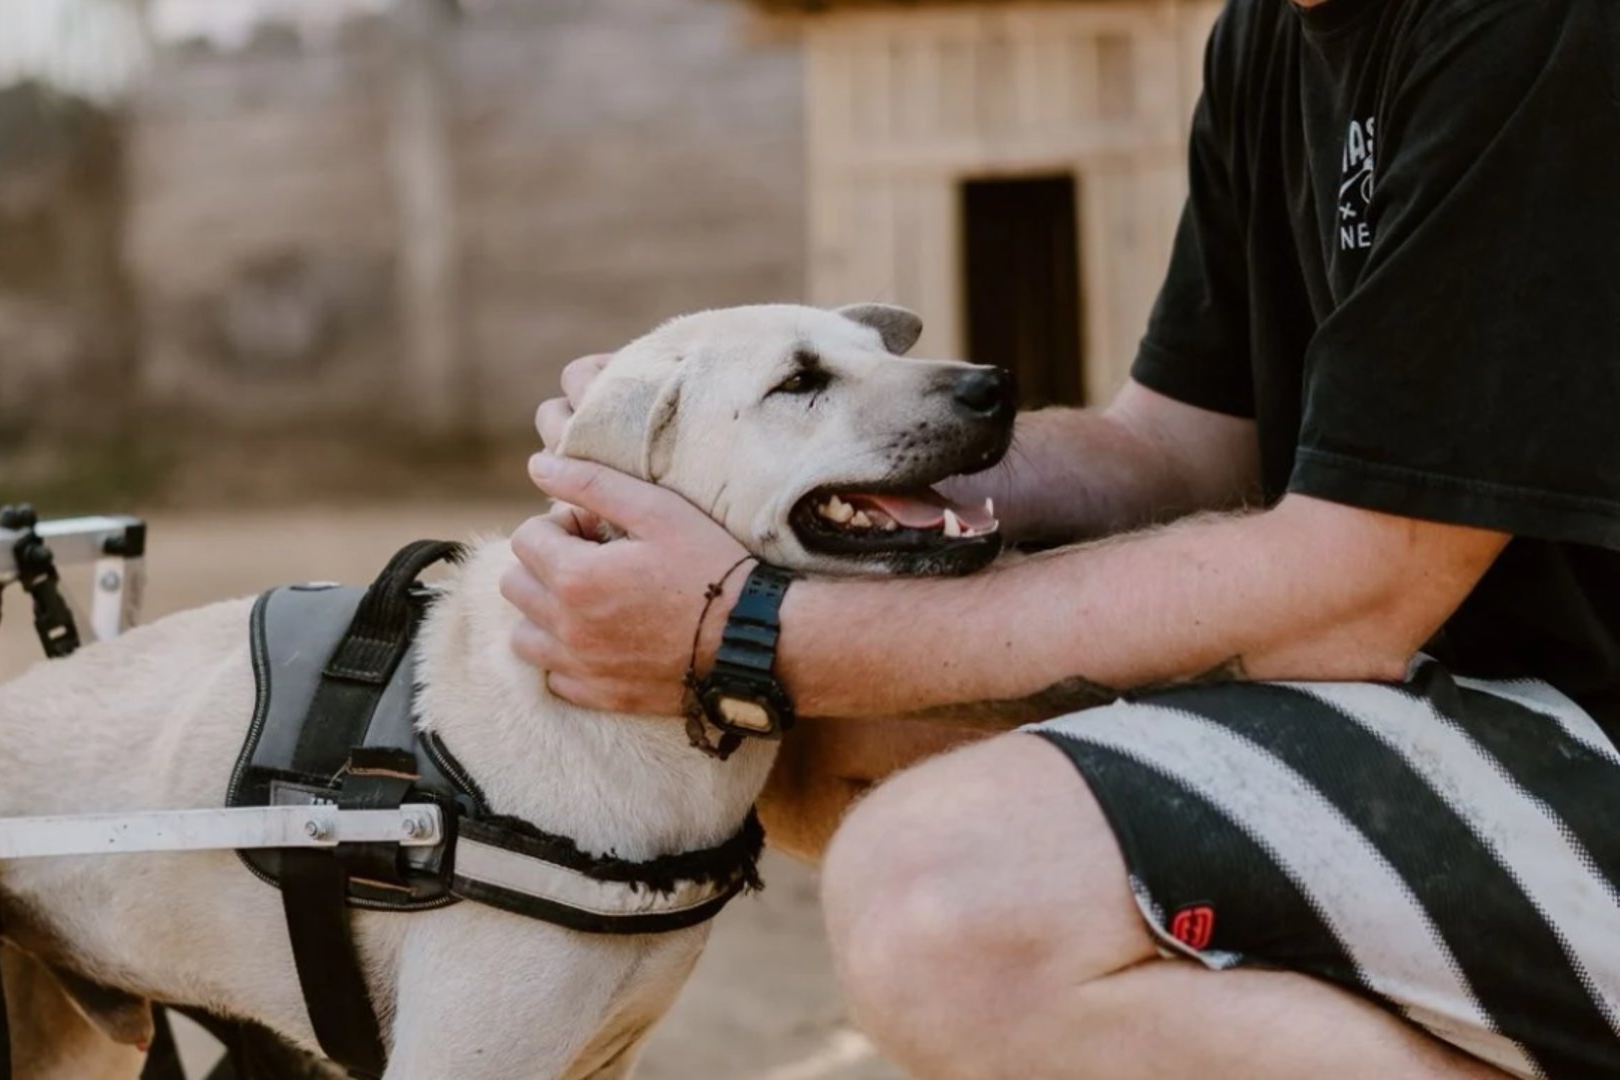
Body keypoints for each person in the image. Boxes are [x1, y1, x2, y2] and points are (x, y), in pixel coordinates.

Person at [505, 0, 1620, 1077]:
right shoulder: (1271, 37)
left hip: (1578, 725)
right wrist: (759, 480)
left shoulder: (1531, 23)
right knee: (821, 748)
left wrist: (747, 630)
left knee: (952, 898)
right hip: (1467, 705)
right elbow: (1173, 450)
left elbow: (1362, 591)